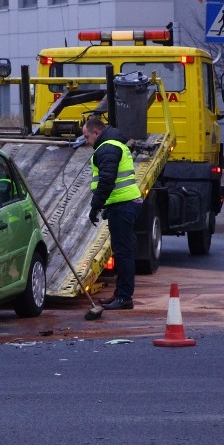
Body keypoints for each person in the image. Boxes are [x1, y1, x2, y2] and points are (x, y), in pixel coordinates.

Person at [82, 116, 142, 310]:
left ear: (96, 132)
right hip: (121, 204)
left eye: (86, 136)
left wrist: (95, 206)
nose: (86, 141)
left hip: (122, 205)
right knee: (121, 252)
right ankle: (120, 295)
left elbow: (107, 180)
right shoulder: (112, 144)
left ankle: (124, 298)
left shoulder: (107, 148)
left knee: (123, 253)